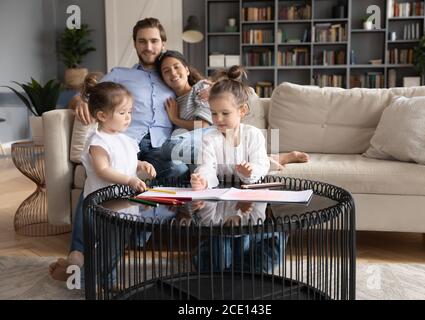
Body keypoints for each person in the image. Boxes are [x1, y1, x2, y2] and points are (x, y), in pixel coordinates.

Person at [49, 74, 156, 281]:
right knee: (110, 246)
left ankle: (74, 271)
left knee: (117, 244)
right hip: (103, 205)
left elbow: (128, 162)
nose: (128, 117)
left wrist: (142, 165)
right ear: (102, 115)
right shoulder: (98, 141)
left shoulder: (126, 139)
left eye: (130, 112)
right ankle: (105, 281)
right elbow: (102, 170)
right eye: (122, 112)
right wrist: (130, 180)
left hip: (123, 203)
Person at [69, 17, 189, 179]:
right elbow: (86, 96)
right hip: (126, 141)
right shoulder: (120, 74)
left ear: (163, 44)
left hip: (160, 147)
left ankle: (145, 197)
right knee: (107, 168)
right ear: (135, 44)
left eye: (154, 41)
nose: (148, 47)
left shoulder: (171, 75)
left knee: (178, 169)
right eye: (142, 41)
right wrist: (79, 101)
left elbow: (194, 89)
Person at [156, 50, 309, 170]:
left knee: (169, 148)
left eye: (176, 67)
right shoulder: (171, 101)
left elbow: (203, 125)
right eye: (166, 71)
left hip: (208, 136)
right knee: (178, 158)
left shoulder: (201, 89)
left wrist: (175, 119)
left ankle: (264, 161)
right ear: (162, 77)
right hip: (194, 144)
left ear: (187, 70)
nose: (173, 73)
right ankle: (264, 161)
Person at [190, 65, 271, 190]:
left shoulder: (253, 134)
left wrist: (250, 171)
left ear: (242, 110)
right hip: (222, 195)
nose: (218, 119)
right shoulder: (209, 138)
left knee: (267, 161)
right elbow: (206, 167)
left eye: (225, 113)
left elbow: (260, 164)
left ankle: (282, 158)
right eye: (214, 113)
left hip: (247, 194)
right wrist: (203, 180)